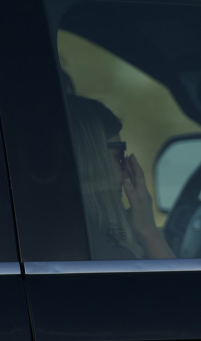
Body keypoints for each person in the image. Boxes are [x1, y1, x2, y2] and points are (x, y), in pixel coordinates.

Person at [66, 94, 174, 260]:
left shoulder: (88, 233)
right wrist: (149, 232)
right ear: (92, 164)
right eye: (119, 158)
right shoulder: (98, 247)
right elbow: (180, 285)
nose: (127, 174)